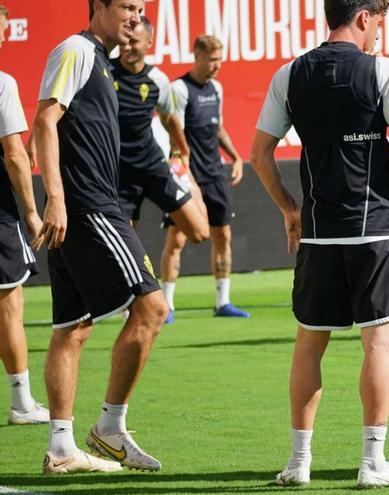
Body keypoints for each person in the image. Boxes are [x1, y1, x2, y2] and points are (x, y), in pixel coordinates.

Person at [250, 0, 389, 487]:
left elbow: (259, 153)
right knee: (378, 343)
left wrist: (290, 209)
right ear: (363, 17)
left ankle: (298, 463)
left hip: (318, 231)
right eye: (380, 20)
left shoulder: (289, 74)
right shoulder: (383, 70)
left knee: (308, 346)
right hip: (377, 231)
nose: (382, 31)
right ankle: (372, 463)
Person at [32, 0, 166, 474]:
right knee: (153, 307)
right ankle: (110, 427)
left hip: (85, 207)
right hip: (87, 208)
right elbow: (44, 121)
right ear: (99, 8)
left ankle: (62, 446)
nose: (135, 15)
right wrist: (56, 198)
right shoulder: (76, 49)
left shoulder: (102, 62)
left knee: (72, 327)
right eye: (126, 6)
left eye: (140, 8)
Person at [163, 35, 248, 322]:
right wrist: (184, 177)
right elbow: (176, 137)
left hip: (215, 173)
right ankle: (167, 305)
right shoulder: (179, 89)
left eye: (220, 59)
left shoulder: (217, 88)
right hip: (188, 176)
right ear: (197, 55)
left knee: (223, 234)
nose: (217, 65)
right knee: (177, 239)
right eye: (212, 59)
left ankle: (223, 302)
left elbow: (218, 128)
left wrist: (235, 156)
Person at [111, 17, 209, 243]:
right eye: (124, 41)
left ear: (149, 42)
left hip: (153, 166)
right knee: (124, 243)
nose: (127, 47)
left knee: (200, 233)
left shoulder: (158, 80)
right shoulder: (106, 73)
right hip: (120, 174)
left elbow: (169, 117)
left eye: (134, 42)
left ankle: (178, 192)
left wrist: (182, 150)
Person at [0, 4, 50, 426]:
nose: (2, 39)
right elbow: (15, 153)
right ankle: (22, 403)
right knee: (8, 304)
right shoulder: (2, 83)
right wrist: (32, 212)